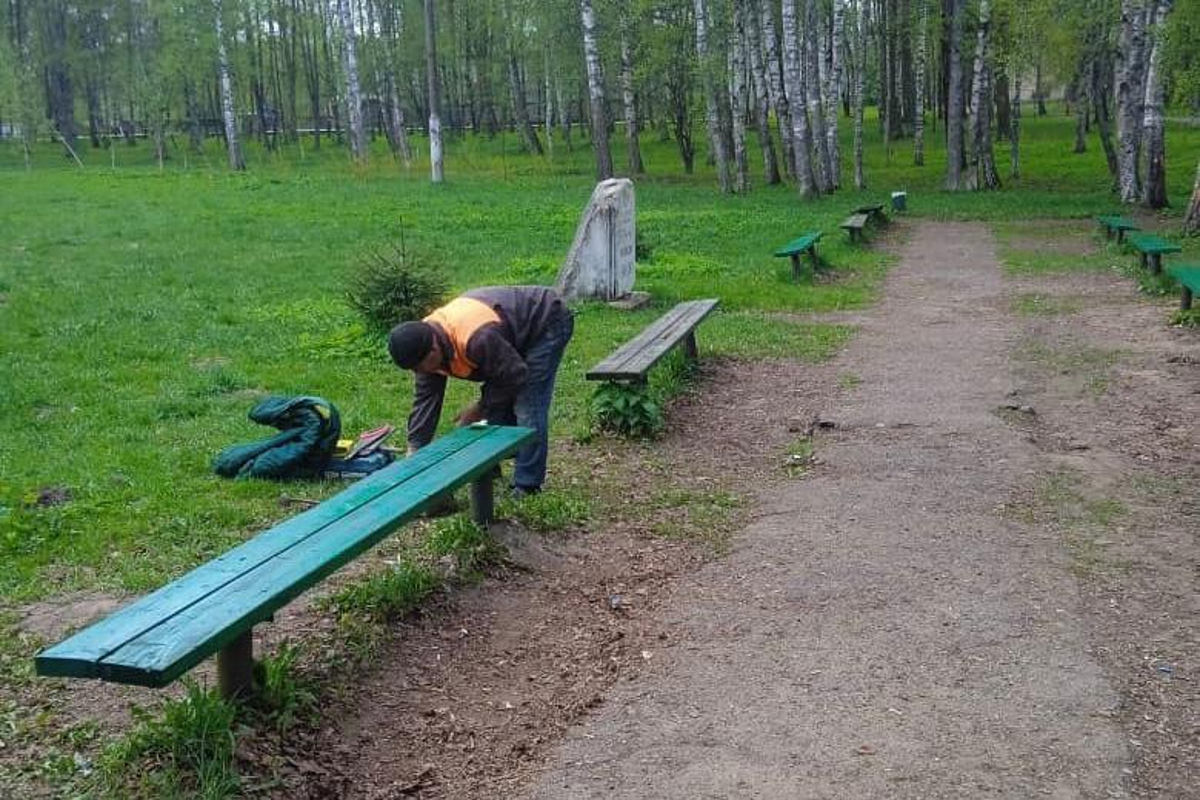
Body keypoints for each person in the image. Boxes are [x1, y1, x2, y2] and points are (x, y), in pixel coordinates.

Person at [387, 286, 574, 496]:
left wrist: (479, 407)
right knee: (489, 410)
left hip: (544, 321)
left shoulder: (476, 338)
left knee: (528, 404)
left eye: (422, 367)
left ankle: (527, 484)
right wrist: (416, 448)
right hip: (506, 334)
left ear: (433, 350)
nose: (421, 373)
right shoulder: (421, 347)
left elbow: (514, 374)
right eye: (416, 369)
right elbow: (426, 400)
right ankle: (489, 466)